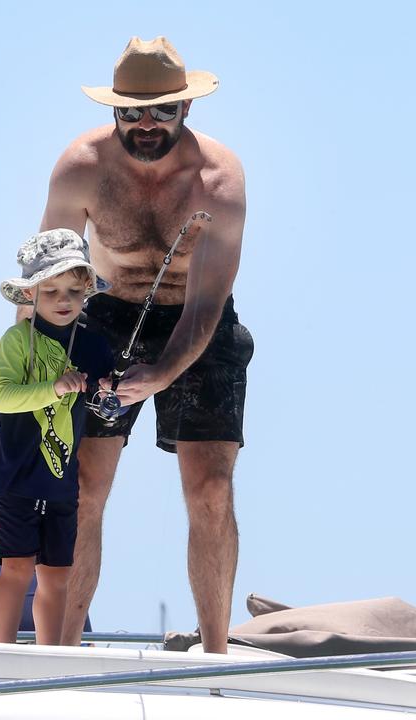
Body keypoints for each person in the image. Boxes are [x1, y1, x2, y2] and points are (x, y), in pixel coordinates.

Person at [39, 36, 254, 653]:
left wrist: (163, 371)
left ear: (187, 109)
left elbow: (208, 300)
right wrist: (47, 361)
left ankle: (215, 653)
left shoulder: (217, 178)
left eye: (161, 110)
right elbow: (50, 275)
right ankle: (61, 650)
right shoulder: (81, 166)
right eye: (131, 111)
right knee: (82, 485)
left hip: (198, 323)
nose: (146, 124)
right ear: (114, 111)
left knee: (210, 486)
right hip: (103, 315)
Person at [0, 229, 112, 645]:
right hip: (15, 477)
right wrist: (54, 388)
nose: (63, 300)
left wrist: (113, 392)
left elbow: (104, 397)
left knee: (57, 575)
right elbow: (1, 397)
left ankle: (51, 661)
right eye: (51, 290)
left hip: (61, 481)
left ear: (87, 293)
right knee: (16, 569)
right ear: (31, 295)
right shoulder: (16, 340)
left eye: (74, 291)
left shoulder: (95, 346)